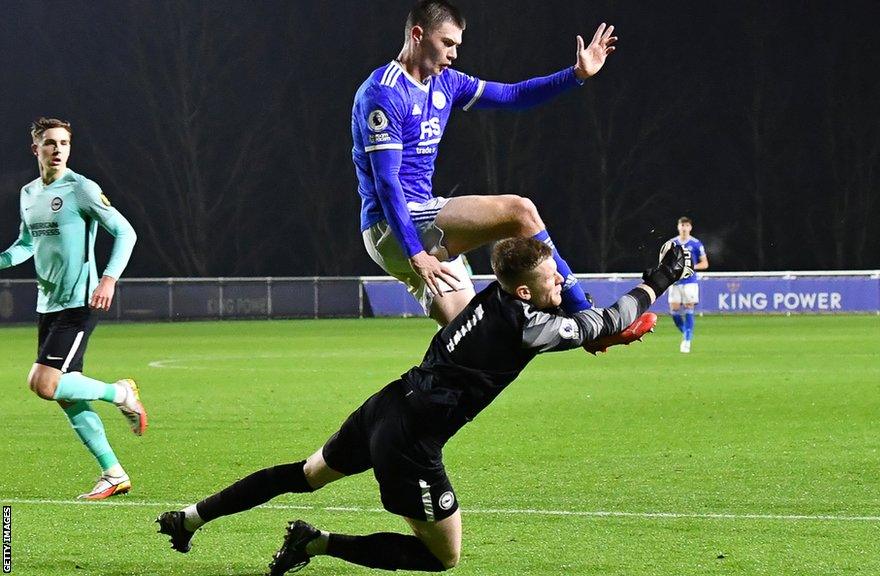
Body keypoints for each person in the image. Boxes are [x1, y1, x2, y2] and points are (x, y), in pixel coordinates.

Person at [157, 238, 692, 574]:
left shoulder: (492, 296)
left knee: (303, 473)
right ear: (525, 292)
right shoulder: (528, 327)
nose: (562, 281)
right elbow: (604, 321)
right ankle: (316, 544)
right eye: (553, 277)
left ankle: (190, 517)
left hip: (387, 404)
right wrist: (659, 280)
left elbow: (587, 318)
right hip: (409, 443)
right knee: (442, 557)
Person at [354, 0, 618, 325]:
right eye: (447, 43)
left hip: (420, 224)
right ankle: (584, 314)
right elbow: (387, 182)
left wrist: (575, 74)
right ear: (418, 35)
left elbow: (512, 96)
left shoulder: (446, 83)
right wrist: (416, 253)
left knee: (473, 340)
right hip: (392, 227)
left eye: (457, 46)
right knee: (520, 212)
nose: (453, 54)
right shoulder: (384, 93)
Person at [0, 117, 146, 499]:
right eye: (50, 143)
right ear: (36, 149)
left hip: (82, 300)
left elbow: (125, 232)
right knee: (66, 394)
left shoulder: (81, 188)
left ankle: (120, 392)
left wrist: (109, 278)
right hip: (48, 302)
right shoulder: (28, 193)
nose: (58, 149)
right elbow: (25, 245)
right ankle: (113, 473)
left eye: (64, 143)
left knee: (43, 383)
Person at [660, 216, 709, 353]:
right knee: (674, 311)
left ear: (690, 228)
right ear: (678, 227)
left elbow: (705, 263)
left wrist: (691, 267)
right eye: (682, 225)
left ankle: (687, 340)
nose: (684, 228)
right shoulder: (672, 243)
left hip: (690, 282)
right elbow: (665, 262)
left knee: (688, 307)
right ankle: (686, 333)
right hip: (675, 282)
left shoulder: (696, 244)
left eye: (687, 226)